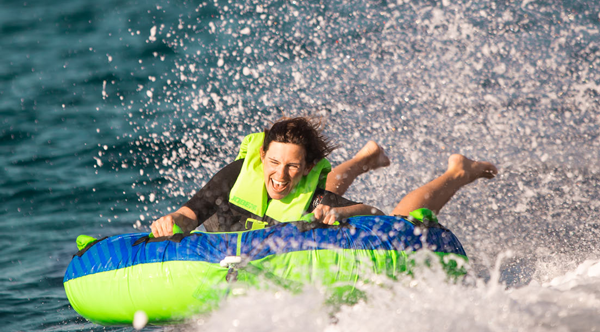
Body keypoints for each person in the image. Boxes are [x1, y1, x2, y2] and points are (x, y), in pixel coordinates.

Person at [150, 116, 497, 236]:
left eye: (291, 166)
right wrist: (171, 222)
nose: (279, 175)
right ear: (261, 156)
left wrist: (339, 212)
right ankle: (365, 158)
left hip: (314, 199)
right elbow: (190, 212)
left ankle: (458, 171)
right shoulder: (237, 176)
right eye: (273, 162)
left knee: (400, 218)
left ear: (306, 166)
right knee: (304, 200)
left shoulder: (310, 189)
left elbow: (373, 212)